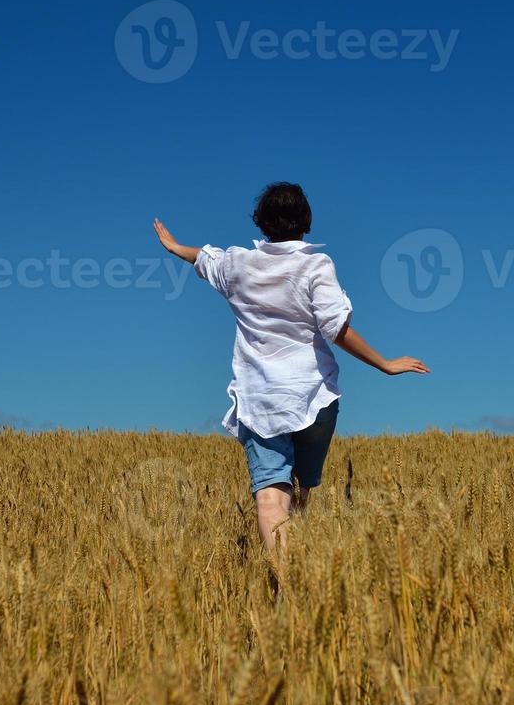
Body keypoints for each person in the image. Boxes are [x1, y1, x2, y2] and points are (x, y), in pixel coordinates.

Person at [154, 182, 430, 552]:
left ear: (262, 222)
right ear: (306, 220)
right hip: (312, 397)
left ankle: (284, 580)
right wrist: (384, 364)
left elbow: (204, 257)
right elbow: (337, 329)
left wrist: (174, 248)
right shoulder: (315, 265)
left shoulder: (237, 264)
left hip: (260, 401)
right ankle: (301, 556)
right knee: (304, 487)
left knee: (270, 493)